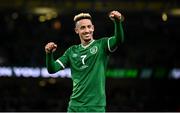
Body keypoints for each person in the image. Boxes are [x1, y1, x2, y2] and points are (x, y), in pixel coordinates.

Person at [45, 10, 124, 112]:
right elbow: (52, 69)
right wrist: (49, 54)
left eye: (89, 26)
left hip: (96, 107)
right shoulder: (71, 51)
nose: (87, 30)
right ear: (76, 30)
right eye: (83, 27)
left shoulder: (102, 45)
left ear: (93, 28)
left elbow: (119, 39)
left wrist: (117, 22)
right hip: (75, 107)